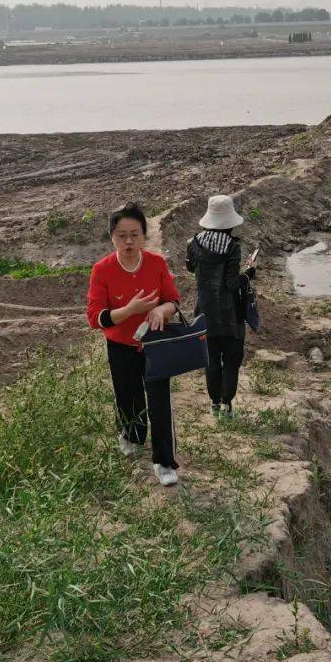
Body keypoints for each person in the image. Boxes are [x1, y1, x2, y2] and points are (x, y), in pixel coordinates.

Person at [86, 203, 182, 487]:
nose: (128, 241)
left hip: (154, 344)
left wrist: (160, 311)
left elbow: (173, 301)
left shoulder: (156, 263)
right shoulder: (102, 270)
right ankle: (132, 435)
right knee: (127, 396)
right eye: (121, 235)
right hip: (120, 345)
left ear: (144, 235)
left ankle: (164, 461)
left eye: (135, 235)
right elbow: (95, 318)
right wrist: (129, 310)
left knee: (160, 402)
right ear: (111, 237)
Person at [186, 195, 256, 419]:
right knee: (231, 362)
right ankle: (227, 405)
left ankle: (215, 403)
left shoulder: (193, 243)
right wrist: (249, 273)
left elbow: (190, 268)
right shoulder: (233, 247)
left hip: (205, 313)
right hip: (230, 316)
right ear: (230, 222)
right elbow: (232, 283)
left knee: (212, 361)